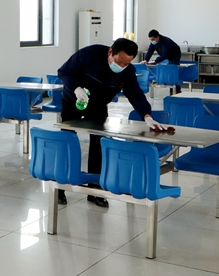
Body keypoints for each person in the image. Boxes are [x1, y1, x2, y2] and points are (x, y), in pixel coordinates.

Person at [57, 38, 167, 207]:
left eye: (126, 63)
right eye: (119, 61)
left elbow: (135, 94)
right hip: (74, 100)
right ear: (110, 52)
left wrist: (147, 116)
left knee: (99, 143)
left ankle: (95, 190)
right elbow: (64, 72)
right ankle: (60, 187)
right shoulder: (89, 54)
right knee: (67, 141)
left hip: (98, 105)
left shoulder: (127, 71)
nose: (122, 66)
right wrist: (76, 88)